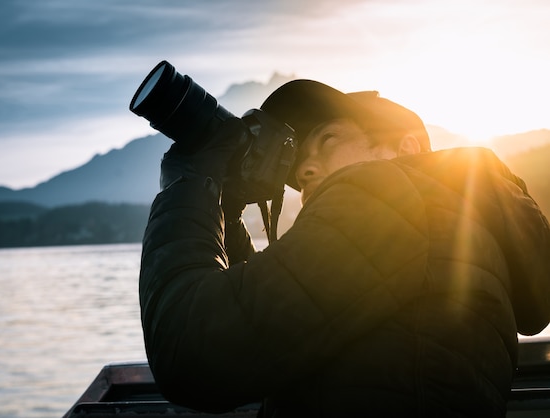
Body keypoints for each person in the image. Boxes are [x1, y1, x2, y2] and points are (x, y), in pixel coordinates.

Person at [138, 79, 550, 417]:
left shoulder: (388, 192)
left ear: (406, 148)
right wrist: (222, 204)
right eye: (298, 165)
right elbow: (270, 316)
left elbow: (192, 353)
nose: (305, 170)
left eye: (328, 139)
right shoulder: (451, 228)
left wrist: (187, 187)